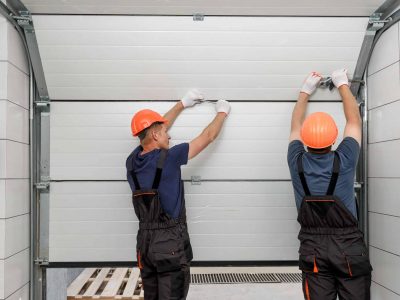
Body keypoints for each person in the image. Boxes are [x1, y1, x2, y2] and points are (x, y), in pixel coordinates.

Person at [126, 89, 230, 300]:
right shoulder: (170, 158)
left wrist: (182, 104)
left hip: (145, 245)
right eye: (164, 133)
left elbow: (156, 129)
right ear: (155, 135)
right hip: (169, 244)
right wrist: (222, 112)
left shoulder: (132, 162)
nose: (169, 134)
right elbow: (208, 136)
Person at [287, 70, 372, 300]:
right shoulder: (344, 159)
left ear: (305, 139)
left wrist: (305, 91)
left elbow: (295, 125)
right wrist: (342, 83)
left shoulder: (296, 162)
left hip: (312, 248)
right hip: (348, 248)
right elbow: (354, 120)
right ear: (334, 139)